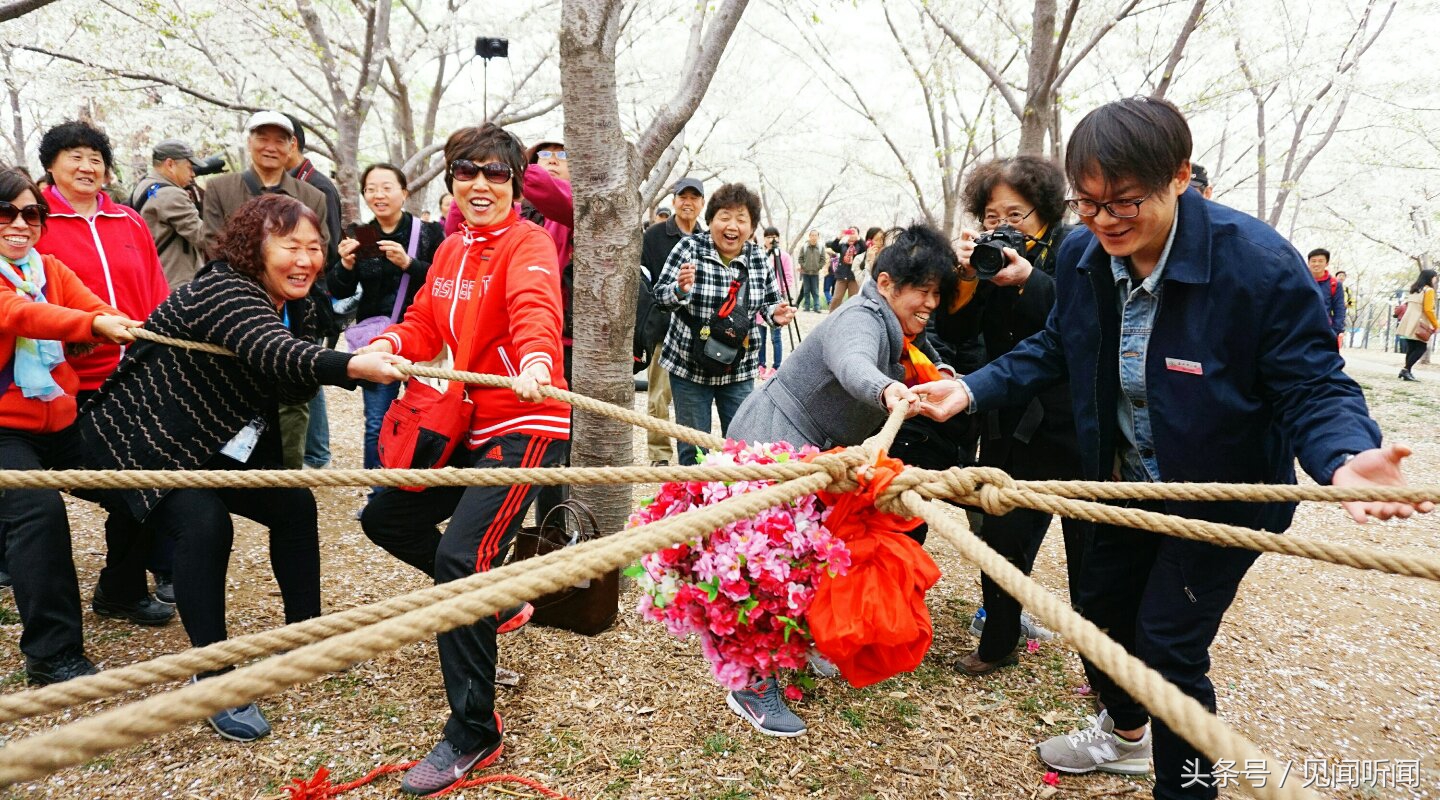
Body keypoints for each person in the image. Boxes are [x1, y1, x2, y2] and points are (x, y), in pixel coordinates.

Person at [913, 97, 1432, 799]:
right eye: (1087, 202)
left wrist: (1346, 454)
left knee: (1166, 646)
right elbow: (1056, 346)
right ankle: (1126, 735)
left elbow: (1312, 385)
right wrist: (970, 390)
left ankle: (1185, 788)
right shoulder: (1082, 253)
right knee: (1099, 615)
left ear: (1180, 175)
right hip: (1120, 482)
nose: (1105, 220)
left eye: (1124, 201)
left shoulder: (1258, 267)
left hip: (1217, 498)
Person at [80, 194, 408, 741]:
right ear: (254, 248)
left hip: (212, 441)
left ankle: (306, 634)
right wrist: (352, 364)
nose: (305, 260)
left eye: (314, 247)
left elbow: (290, 373)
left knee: (293, 502)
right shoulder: (224, 287)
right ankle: (213, 679)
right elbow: (273, 350)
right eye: (290, 247)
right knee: (203, 523)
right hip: (145, 441)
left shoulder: (294, 299)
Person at [354, 124, 570, 795]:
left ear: (514, 183)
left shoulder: (529, 243)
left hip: (524, 421)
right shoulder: (448, 250)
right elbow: (425, 320)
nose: (480, 185)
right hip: (465, 425)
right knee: (385, 517)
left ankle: (473, 731)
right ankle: (492, 602)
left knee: (460, 561)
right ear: (451, 182)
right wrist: (392, 342)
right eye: (466, 172)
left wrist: (536, 359)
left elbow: (536, 310)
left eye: (495, 174)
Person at [725, 223, 955, 735]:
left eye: (938, 292)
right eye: (924, 290)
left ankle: (796, 645)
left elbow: (915, 364)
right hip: (777, 445)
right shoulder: (862, 315)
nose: (931, 303)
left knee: (807, 559)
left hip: (821, 460)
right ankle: (750, 682)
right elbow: (853, 365)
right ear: (889, 283)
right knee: (765, 565)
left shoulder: (902, 333)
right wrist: (886, 391)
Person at [931, 155, 1091, 676]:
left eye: (1016, 215)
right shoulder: (986, 256)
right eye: (993, 215)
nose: (1004, 226)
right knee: (1002, 543)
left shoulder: (1074, 248)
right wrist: (965, 279)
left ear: (1044, 210)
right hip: (1005, 421)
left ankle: (1109, 675)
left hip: (1072, 426)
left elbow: (1081, 325)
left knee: (1091, 554)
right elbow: (956, 336)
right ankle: (998, 642)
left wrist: (1031, 280)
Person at [0, 168, 142, 685]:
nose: (20, 223)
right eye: (5, 212)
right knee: (38, 511)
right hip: (4, 432)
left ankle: (122, 590)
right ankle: (50, 652)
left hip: (60, 417)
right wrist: (91, 326)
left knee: (137, 482)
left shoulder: (49, 268)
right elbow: (20, 315)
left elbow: (91, 306)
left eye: (31, 213)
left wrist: (111, 321)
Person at [36, 120, 175, 622]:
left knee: (146, 480)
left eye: (95, 156)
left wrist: (165, 350)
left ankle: (125, 585)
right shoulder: (35, 221)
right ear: (50, 165)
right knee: (115, 487)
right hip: (67, 377)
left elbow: (156, 289)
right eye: (74, 155)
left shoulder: (128, 220)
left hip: (137, 371)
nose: (87, 165)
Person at [201, 111, 332, 472]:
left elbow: (320, 248)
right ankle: (222, 469)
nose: (271, 147)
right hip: (234, 305)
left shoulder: (312, 196)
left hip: (292, 309)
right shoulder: (220, 188)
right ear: (249, 141)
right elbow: (212, 244)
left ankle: (287, 471)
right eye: (263, 138)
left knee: (292, 386)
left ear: (292, 146)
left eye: (280, 140)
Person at [651, 183, 795, 466]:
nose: (733, 226)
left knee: (742, 450)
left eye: (742, 219)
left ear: (751, 227)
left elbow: (768, 302)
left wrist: (774, 314)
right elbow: (660, 296)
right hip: (689, 365)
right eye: (725, 217)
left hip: (737, 368)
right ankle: (696, 506)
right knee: (694, 451)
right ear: (711, 220)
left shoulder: (756, 258)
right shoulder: (689, 247)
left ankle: (734, 507)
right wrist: (679, 290)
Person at [331, 163, 444, 478]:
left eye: (386, 187)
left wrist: (409, 264)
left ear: (404, 193)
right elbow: (339, 289)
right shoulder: (362, 234)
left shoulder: (429, 233)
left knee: (426, 417)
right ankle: (377, 490)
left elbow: (444, 282)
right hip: (378, 343)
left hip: (424, 340)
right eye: (371, 189)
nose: (378, 195)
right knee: (377, 421)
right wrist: (344, 264)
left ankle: (416, 488)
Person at [284, 114, 344, 471]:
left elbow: (331, 246)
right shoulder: (276, 184)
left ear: (292, 143)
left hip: (309, 295)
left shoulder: (318, 186)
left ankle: (316, 454)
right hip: (278, 292)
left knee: (306, 368)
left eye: (277, 140)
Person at [638, 177, 705, 467]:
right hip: (664, 330)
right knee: (658, 398)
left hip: (699, 334)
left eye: (694, 197)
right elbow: (642, 281)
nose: (688, 202)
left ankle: (694, 457)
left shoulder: (708, 238)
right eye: (683, 197)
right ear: (675, 200)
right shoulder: (653, 236)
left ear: (702, 203)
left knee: (693, 400)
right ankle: (660, 455)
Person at [130, 139, 207, 288]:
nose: (193, 174)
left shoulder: (147, 186)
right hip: (177, 282)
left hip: (158, 276)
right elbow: (203, 236)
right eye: (189, 168)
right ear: (170, 164)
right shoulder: (172, 195)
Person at [755, 226, 795, 378]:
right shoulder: (760, 255)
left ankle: (776, 366)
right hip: (760, 301)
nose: (771, 239)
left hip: (776, 301)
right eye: (768, 236)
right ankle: (761, 364)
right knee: (761, 336)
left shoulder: (783, 256)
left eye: (774, 236)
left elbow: (789, 279)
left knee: (775, 337)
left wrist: (777, 292)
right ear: (764, 239)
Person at [1397, 268, 1437, 381]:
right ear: (1430, 278)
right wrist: (1436, 324)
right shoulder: (1428, 290)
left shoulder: (1414, 289)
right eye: (1434, 277)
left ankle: (1407, 371)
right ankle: (1405, 370)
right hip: (1420, 321)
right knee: (1421, 347)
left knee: (1412, 347)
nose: (1435, 279)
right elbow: (1428, 309)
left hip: (1409, 319)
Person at [1306, 248, 1345, 349]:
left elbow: (1339, 309)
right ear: (1308, 263)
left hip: (1324, 330)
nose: (1316, 264)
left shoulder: (1334, 284)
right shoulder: (1301, 281)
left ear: (1326, 263)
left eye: (1320, 261)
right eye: (1313, 261)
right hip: (1302, 329)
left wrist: (1335, 331)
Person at [827, 227, 862, 310]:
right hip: (841, 276)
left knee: (853, 299)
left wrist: (858, 238)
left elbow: (865, 247)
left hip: (854, 277)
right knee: (836, 298)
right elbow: (833, 246)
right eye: (850, 232)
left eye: (854, 232)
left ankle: (851, 318)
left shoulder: (860, 246)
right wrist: (839, 237)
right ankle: (831, 317)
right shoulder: (843, 245)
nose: (852, 234)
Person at [795, 229, 826, 312]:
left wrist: (818, 267)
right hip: (805, 273)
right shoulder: (804, 247)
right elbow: (800, 258)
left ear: (818, 237)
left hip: (815, 273)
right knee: (806, 290)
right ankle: (807, 306)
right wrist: (804, 266)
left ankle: (817, 307)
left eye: (815, 235)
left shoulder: (820, 247)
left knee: (815, 291)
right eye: (812, 235)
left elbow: (823, 260)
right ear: (809, 236)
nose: (814, 237)